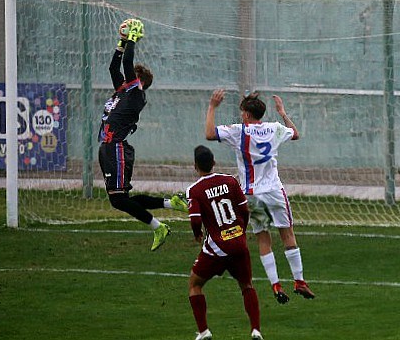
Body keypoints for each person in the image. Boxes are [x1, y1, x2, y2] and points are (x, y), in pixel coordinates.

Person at [205, 89, 316, 304]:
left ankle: (275, 284)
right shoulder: (274, 128)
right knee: (287, 235)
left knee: (263, 238)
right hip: (274, 191)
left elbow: (210, 133)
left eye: (242, 113)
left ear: (247, 114)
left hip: (252, 194)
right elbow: (295, 134)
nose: (241, 116)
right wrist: (282, 113)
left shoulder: (239, 131)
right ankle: (299, 281)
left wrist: (212, 106)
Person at [97, 18, 188, 251]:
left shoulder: (136, 94)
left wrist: (132, 39)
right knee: (120, 199)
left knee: (119, 199)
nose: (127, 77)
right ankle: (171, 203)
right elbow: (114, 67)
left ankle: (159, 227)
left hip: (116, 147)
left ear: (140, 82)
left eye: (133, 77)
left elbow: (127, 62)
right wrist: (121, 41)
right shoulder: (123, 91)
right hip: (108, 147)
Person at [185, 144, 263, 340]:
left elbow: (195, 220)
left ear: (195, 166)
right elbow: (244, 210)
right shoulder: (230, 181)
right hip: (238, 244)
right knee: (247, 285)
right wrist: (241, 231)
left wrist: (197, 234)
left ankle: (204, 331)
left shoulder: (194, 190)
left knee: (195, 284)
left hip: (216, 249)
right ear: (214, 162)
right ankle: (256, 330)